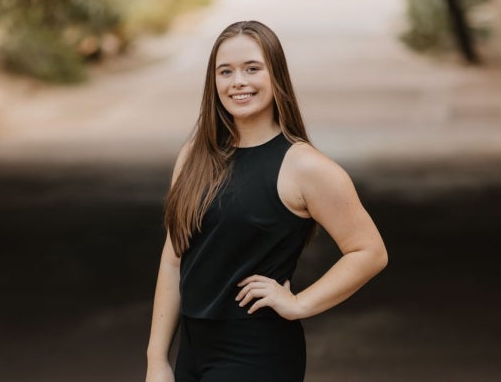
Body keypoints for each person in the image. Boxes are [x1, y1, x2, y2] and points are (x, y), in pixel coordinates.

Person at [146, 20, 388, 382]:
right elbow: (173, 259)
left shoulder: (304, 166)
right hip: (192, 350)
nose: (238, 81)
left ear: (276, 76)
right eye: (225, 71)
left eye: (252, 69)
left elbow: (369, 251)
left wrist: (298, 303)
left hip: (256, 351)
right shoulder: (193, 158)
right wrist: (156, 359)